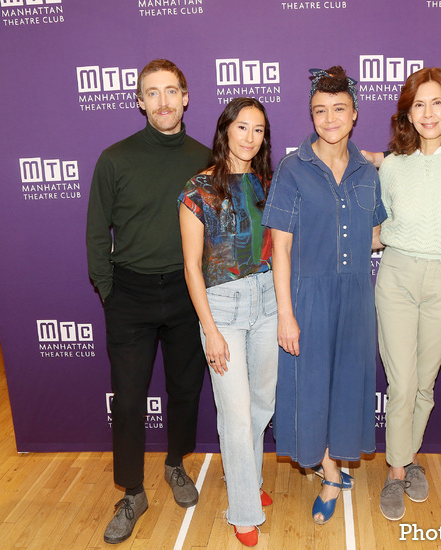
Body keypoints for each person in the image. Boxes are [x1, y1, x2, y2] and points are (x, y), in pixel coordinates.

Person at [86, 59, 210, 544]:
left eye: (171, 91)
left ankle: (176, 464)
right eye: (152, 93)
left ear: (185, 97)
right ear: (139, 101)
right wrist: (109, 289)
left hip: (186, 292)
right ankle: (132, 491)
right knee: (131, 397)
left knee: (185, 387)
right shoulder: (114, 159)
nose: (162, 101)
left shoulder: (204, 158)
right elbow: (98, 231)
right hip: (130, 294)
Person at [262, 66, 387, 525]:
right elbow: (281, 248)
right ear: (311, 116)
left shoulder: (366, 170)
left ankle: (335, 460)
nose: (330, 118)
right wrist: (286, 314)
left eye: (339, 109)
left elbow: (375, 236)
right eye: (320, 110)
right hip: (308, 297)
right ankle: (331, 473)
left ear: (354, 114)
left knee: (348, 386)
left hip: (356, 297)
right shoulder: (293, 169)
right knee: (312, 388)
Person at [178, 97, 277, 548]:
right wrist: (211, 330)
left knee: (260, 406)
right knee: (235, 416)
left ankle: (249, 480)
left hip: (267, 300)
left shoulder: (267, 183)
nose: (250, 137)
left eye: (258, 130)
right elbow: (192, 268)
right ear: (225, 131)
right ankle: (242, 509)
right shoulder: (197, 190)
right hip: (223, 310)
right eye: (242, 127)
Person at [374, 67, 441, 521]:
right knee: (402, 382)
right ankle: (397, 471)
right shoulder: (391, 165)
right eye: (418, 105)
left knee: (425, 383)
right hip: (397, 276)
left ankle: (408, 457)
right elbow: (377, 231)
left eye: (436, 103)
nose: (428, 113)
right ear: (406, 115)